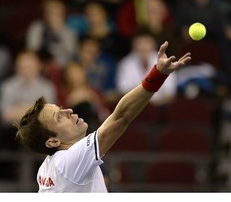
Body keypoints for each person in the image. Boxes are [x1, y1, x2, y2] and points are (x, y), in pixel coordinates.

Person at [15, 41, 191, 192]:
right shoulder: (69, 161)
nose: (68, 111)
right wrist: (158, 74)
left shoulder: (46, 168)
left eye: (61, 108)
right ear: (53, 142)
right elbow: (120, 117)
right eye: (59, 117)